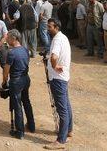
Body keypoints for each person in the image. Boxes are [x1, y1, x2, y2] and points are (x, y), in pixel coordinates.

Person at [45, 19, 73, 149]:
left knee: (62, 109)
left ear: (56, 27)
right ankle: (69, 130)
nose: (47, 28)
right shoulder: (63, 37)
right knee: (66, 105)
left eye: (49, 26)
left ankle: (61, 140)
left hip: (58, 78)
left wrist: (54, 66)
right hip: (63, 77)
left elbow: (54, 57)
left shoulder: (57, 39)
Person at [2, 29, 35, 139]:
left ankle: (20, 132)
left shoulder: (11, 53)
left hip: (16, 81)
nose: (7, 39)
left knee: (17, 105)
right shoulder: (25, 50)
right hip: (26, 78)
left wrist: (4, 81)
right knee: (27, 102)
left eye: (9, 37)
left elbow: (6, 70)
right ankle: (31, 125)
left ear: (14, 38)